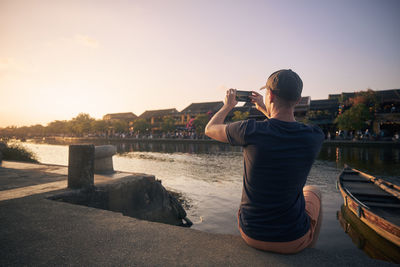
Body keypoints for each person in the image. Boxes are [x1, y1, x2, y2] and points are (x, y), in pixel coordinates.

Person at [205, 69, 325, 254]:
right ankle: (309, 248)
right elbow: (283, 129)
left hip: (251, 233)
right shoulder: (314, 136)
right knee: (313, 190)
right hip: (292, 239)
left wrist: (228, 106)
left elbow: (210, 128)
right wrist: (264, 108)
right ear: (298, 100)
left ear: (270, 95)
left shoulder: (249, 130)